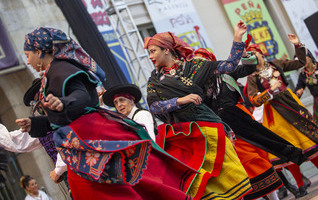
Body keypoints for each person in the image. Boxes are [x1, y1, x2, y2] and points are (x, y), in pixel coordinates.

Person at [19, 27, 198, 200]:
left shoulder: (62, 69)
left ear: (39, 51)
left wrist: (63, 102)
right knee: (99, 187)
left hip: (90, 135)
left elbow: (81, 97)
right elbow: (58, 119)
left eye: (28, 56)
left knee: (111, 187)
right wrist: (34, 124)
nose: (27, 62)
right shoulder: (52, 74)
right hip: (81, 141)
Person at [144, 21, 252, 199]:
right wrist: (180, 100)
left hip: (209, 129)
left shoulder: (195, 67)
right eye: (149, 52)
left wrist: (237, 37)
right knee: (199, 184)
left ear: (167, 50)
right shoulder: (154, 82)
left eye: (153, 51)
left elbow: (230, 66)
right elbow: (155, 107)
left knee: (229, 176)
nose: (150, 56)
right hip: (183, 137)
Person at [194, 47, 305, 200]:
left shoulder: (226, 73)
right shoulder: (197, 87)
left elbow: (248, 66)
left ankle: (290, 183)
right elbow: (254, 99)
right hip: (226, 127)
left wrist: (244, 53)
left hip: (245, 117)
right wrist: (270, 92)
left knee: (264, 153)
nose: (201, 66)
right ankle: (279, 190)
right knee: (249, 160)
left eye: (203, 62)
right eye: (197, 64)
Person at [246, 39, 318, 197]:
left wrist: (297, 45)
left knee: (307, 138)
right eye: (249, 55)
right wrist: (269, 92)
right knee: (287, 148)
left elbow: (300, 62)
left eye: (254, 53)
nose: (253, 57)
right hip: (273, 113)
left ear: (260, 53)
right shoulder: (252, 77)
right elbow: (253, 99)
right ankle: (300, 186)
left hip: (290, 104)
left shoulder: (276, 63)